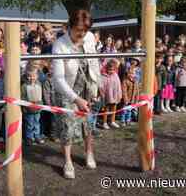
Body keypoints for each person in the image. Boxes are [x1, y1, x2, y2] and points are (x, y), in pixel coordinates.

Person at [52, 10, 100, 179]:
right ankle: (67, 161)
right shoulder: (59, 45)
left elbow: (94, 62)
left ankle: (89, 153)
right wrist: (75, 99)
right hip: (67, 88)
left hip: (86, 87)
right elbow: (58, 78)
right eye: (78, 30)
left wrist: (96, 86)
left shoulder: (90, 37)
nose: (81, 34)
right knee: (67, 126)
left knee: (88, 124)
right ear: (69, 26)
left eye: (85, 30)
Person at [21, 65, 44, 146]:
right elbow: (23, 97)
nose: (32, 78)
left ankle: (37, 136)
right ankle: (29, 137)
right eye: (29, 76)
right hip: (29, 109)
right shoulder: (24, 86)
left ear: (37, 76)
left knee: (37, 123)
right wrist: (26, 107)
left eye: (34, 76)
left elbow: (41, 96)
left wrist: (41, 105)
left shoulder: (39, 84)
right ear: (27, 76)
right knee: (29, 124)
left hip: (38, 108)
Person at [100, 60, 122, 129]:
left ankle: (112, 121)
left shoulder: (115, 75)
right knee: (106, 109)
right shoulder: (104, 76)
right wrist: (102, 95)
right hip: (107, 96)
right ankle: (104, 122)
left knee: (114, 108)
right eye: (109, 70)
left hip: (114, 95)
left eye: (112, 70)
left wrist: (119, 94)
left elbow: (118, 85)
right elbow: (102, 86)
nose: (111, 71)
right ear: (106, 68)